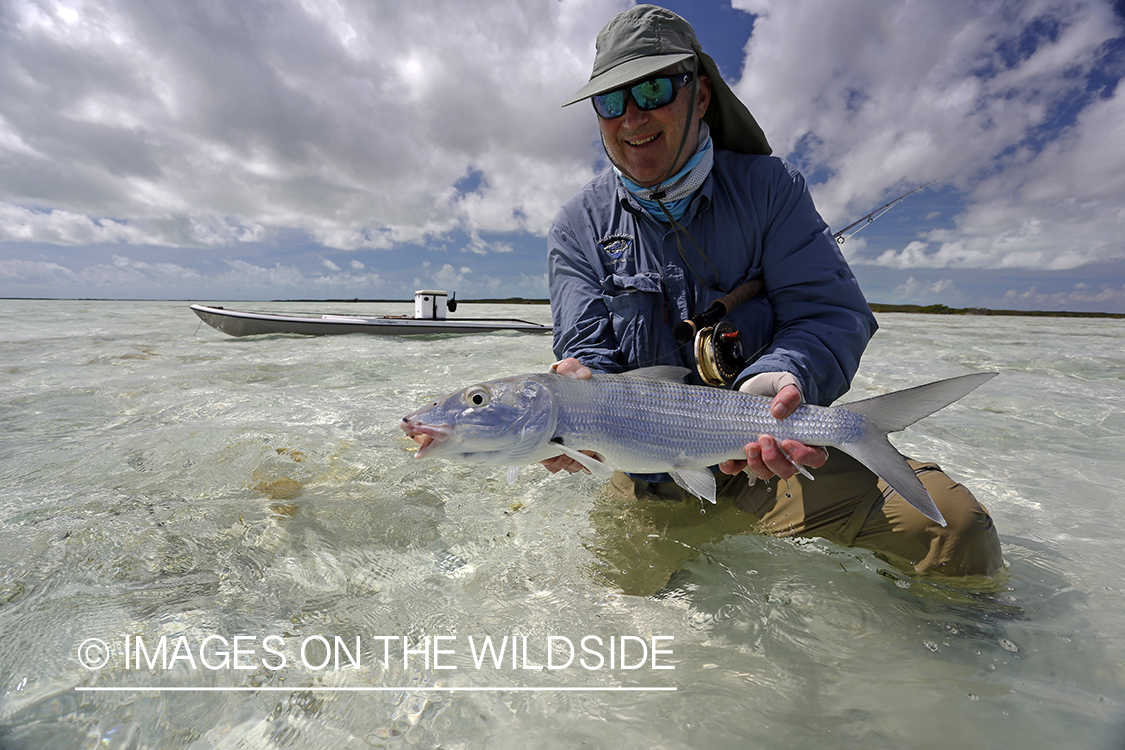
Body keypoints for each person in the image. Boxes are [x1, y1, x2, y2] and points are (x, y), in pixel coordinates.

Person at [545, 4, 1002, 587]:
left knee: (956, 533)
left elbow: (828, 313)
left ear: (701, 95)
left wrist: (786, 378)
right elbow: (587, 354)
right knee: (632, 625)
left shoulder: (771, 190)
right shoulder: (576, 226)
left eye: (653, 88)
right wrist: (578, 410)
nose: (631, 117)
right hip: (648, 465)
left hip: (769, 458)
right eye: (610, 101)